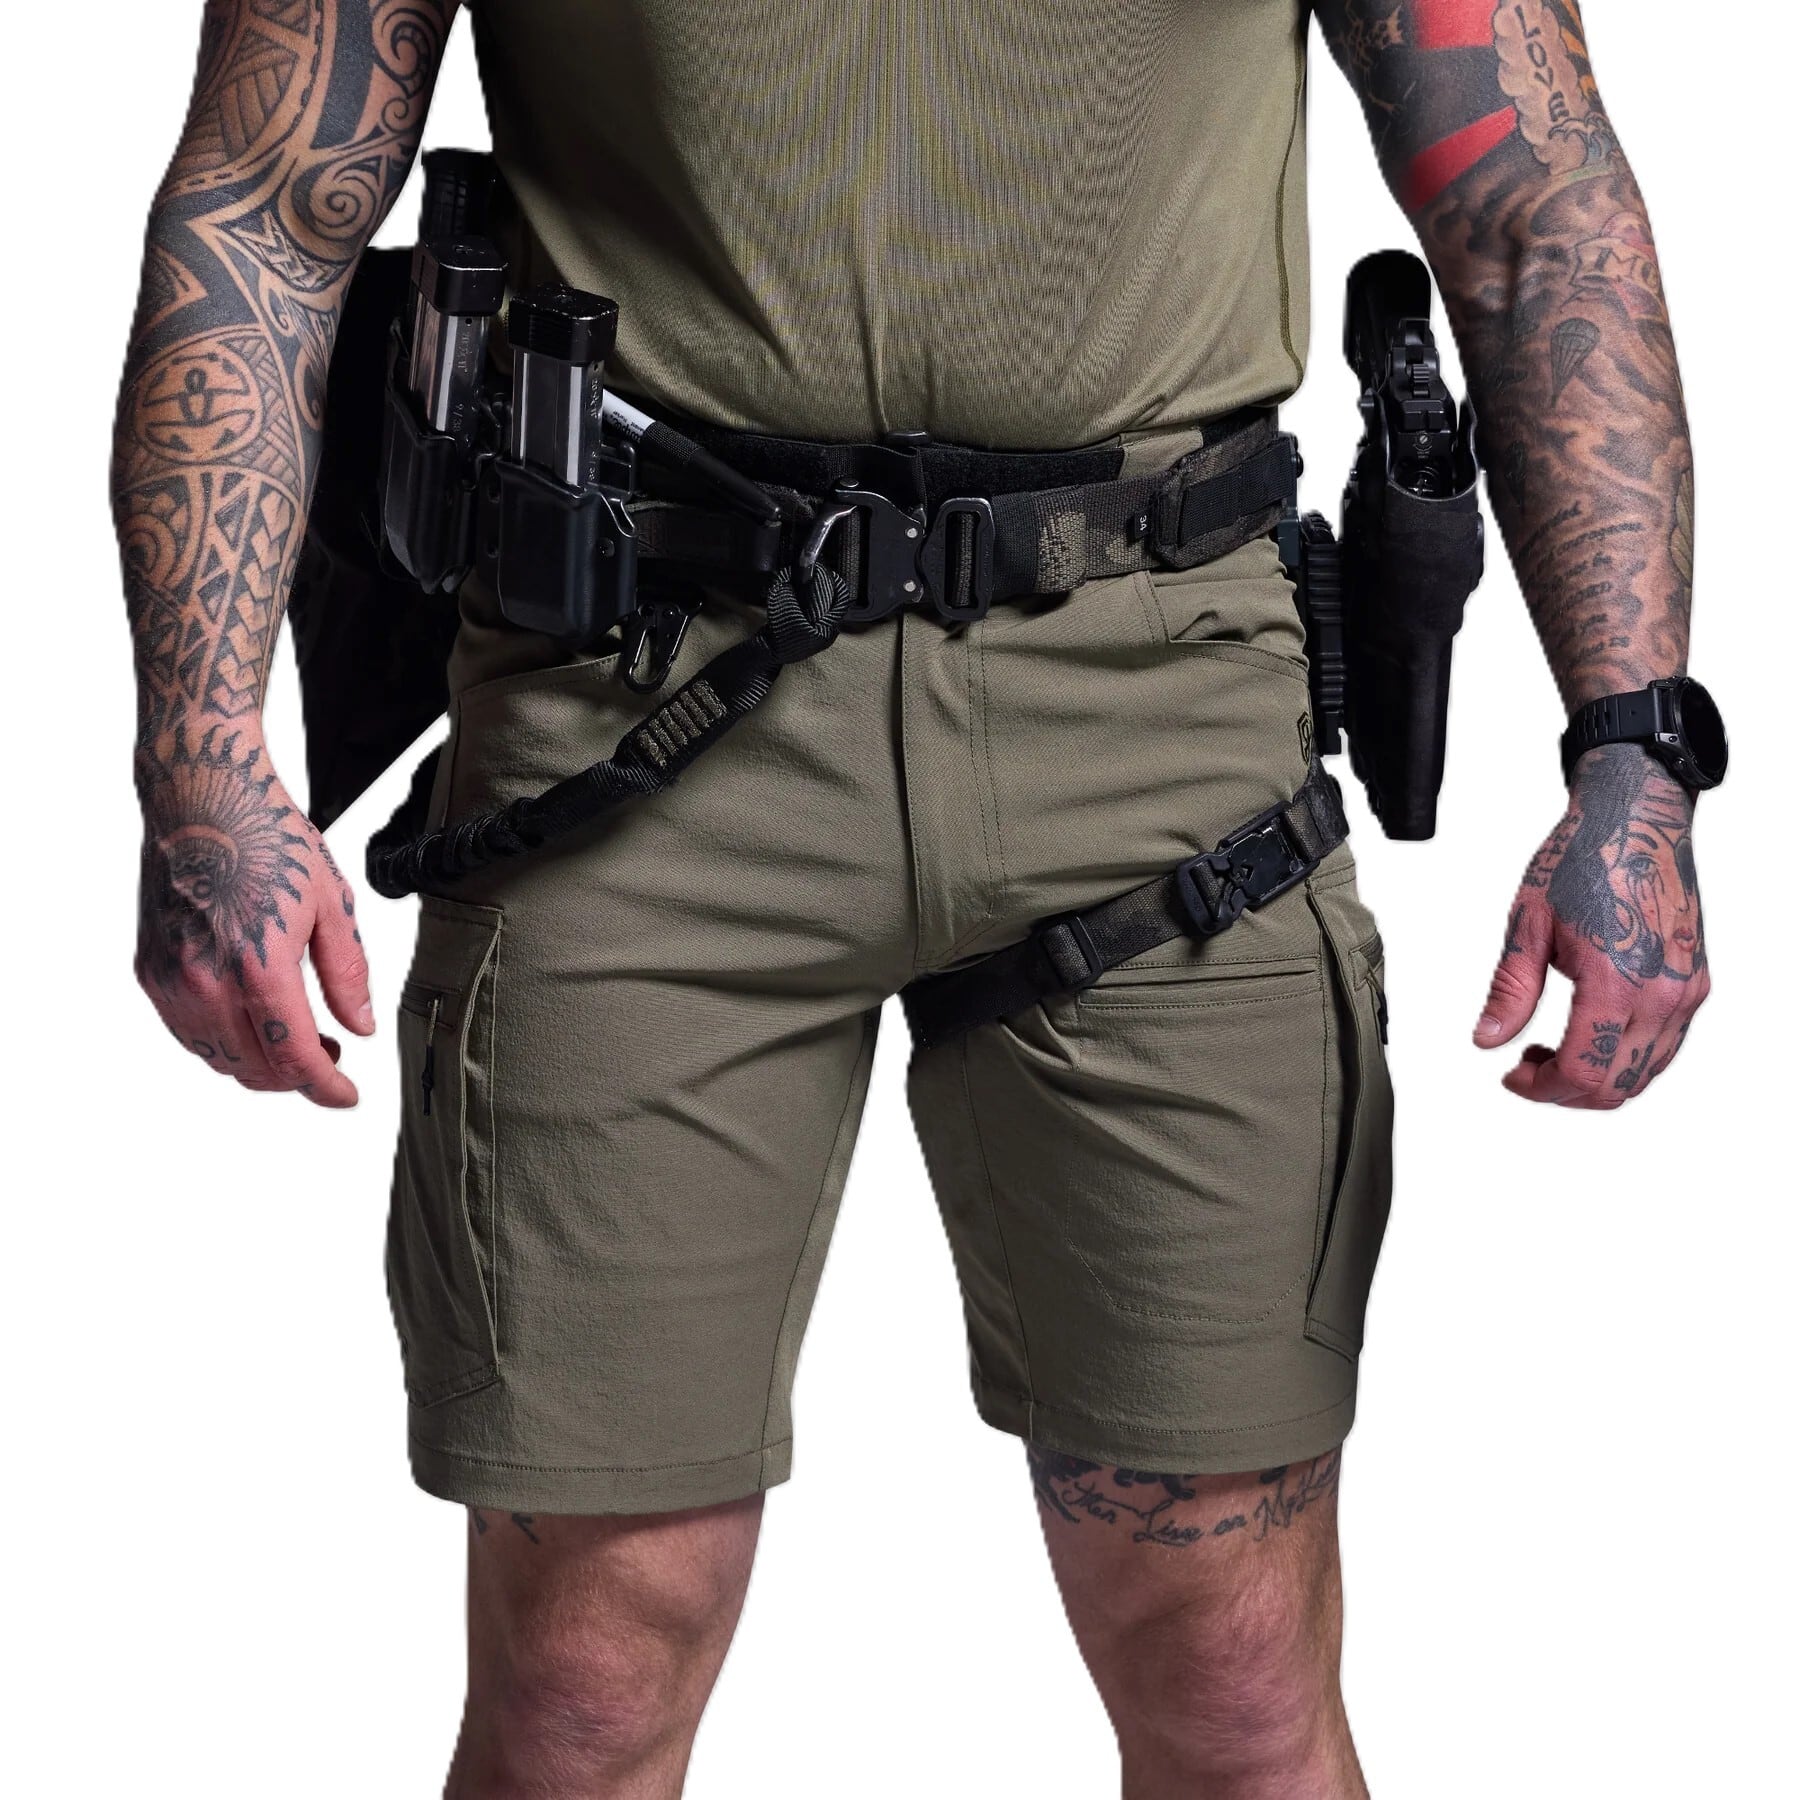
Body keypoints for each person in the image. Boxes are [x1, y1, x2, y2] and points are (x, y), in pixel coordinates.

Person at [112, 2, 1713, 1793]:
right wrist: (201, 766)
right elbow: (264, 206)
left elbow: (1535, 206)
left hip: (1163, 707)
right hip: (635, 701)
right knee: (581, 1683)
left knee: (1235, 1673)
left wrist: (1633, 755)